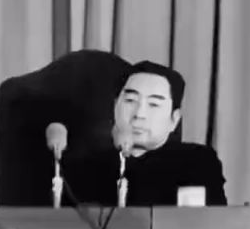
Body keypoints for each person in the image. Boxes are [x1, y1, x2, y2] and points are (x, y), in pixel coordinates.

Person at [63, 61, 228, 206]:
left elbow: (210, 224)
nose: (139, 114)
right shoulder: (84, 166)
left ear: (174, 119)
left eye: (153, 104)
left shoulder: (196, 163)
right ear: (115, 107)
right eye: (130, 101)